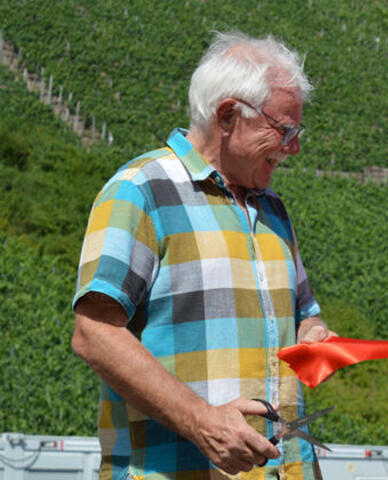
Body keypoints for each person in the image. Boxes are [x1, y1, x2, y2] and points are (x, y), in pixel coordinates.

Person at [71, 31, 334, 480]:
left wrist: (314, 336)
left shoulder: (272, 210)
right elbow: (94, 334)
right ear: (229, 115)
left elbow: (304, 317)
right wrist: (201, 421)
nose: (294, 147)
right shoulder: (141, 189)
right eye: (284, 129)